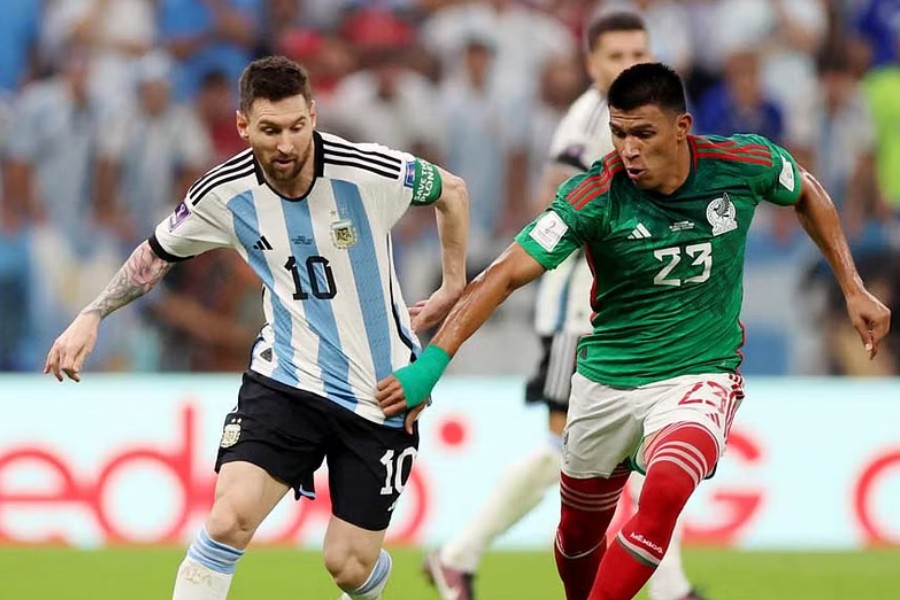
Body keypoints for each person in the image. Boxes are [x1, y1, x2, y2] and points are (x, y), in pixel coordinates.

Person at [377, 62, 891, 600]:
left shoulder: (743, 162)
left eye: (643, 133)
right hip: (607, 383)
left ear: (681, 128)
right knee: (578, 538)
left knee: (666, 488)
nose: (629, 148)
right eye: (619, 133)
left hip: (698, 376)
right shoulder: (595, 196)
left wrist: (852, 286)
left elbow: (806, 189)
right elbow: (504, 274)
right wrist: (431, 365)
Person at [44, 55, 469, 600]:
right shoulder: (222, 194)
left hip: (380, 392)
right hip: (287, 378)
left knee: (348, 565)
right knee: (228, 519)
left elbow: (451, 191)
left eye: (297, 126)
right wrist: (92, 313)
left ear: (313, 114)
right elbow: (154, 256)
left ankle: (370, 577)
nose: (287, 144)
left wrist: (452, 285)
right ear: (243, 125)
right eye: (270, 130)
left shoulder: (368, 171)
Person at [424, 12, 705, 600]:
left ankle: (672, 588)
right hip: (584, 313)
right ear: (591, 64)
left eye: (639, 49)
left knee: (643, 449)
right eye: (615, 53)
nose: (628, 61)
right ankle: (458, 553)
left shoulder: (635, 118)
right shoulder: (589, 125)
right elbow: (556, 204)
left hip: (630, 313)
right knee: (570, 451)